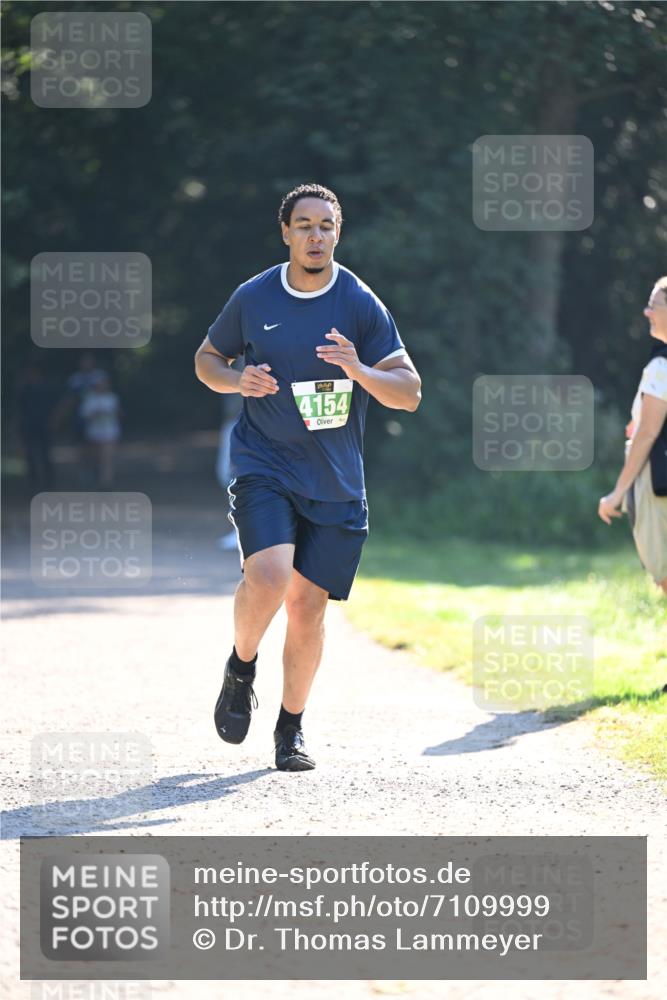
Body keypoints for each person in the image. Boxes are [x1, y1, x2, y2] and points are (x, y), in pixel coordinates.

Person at [195, 183, 421, 771]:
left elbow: (409, 392)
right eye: (304, 225)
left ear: (337, 233)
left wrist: (358, 367)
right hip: (264, 462)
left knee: (308, 607)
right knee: (269, 577)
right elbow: (207, 360)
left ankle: (290, 729)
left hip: (334, 479)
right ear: (286, 233)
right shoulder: (255, 296)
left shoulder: (359, 302)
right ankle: (241, 667)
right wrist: (237, 380)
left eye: (326, 225)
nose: (315, 236)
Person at [598, 276, 667, 595]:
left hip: (658, 484)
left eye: (654, 306)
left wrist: (617, 493)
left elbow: (648, 433)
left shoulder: (661, 367)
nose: (646, 312)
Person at [79, 372, 122, 487]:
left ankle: (106, 482)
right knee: (96, 457)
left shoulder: (112, 398)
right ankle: (96, 476)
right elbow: (85, 416)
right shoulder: (90, 399)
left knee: (107, 457)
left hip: (110, 431)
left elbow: (119, 414)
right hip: (94, 432)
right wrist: (95, 414)